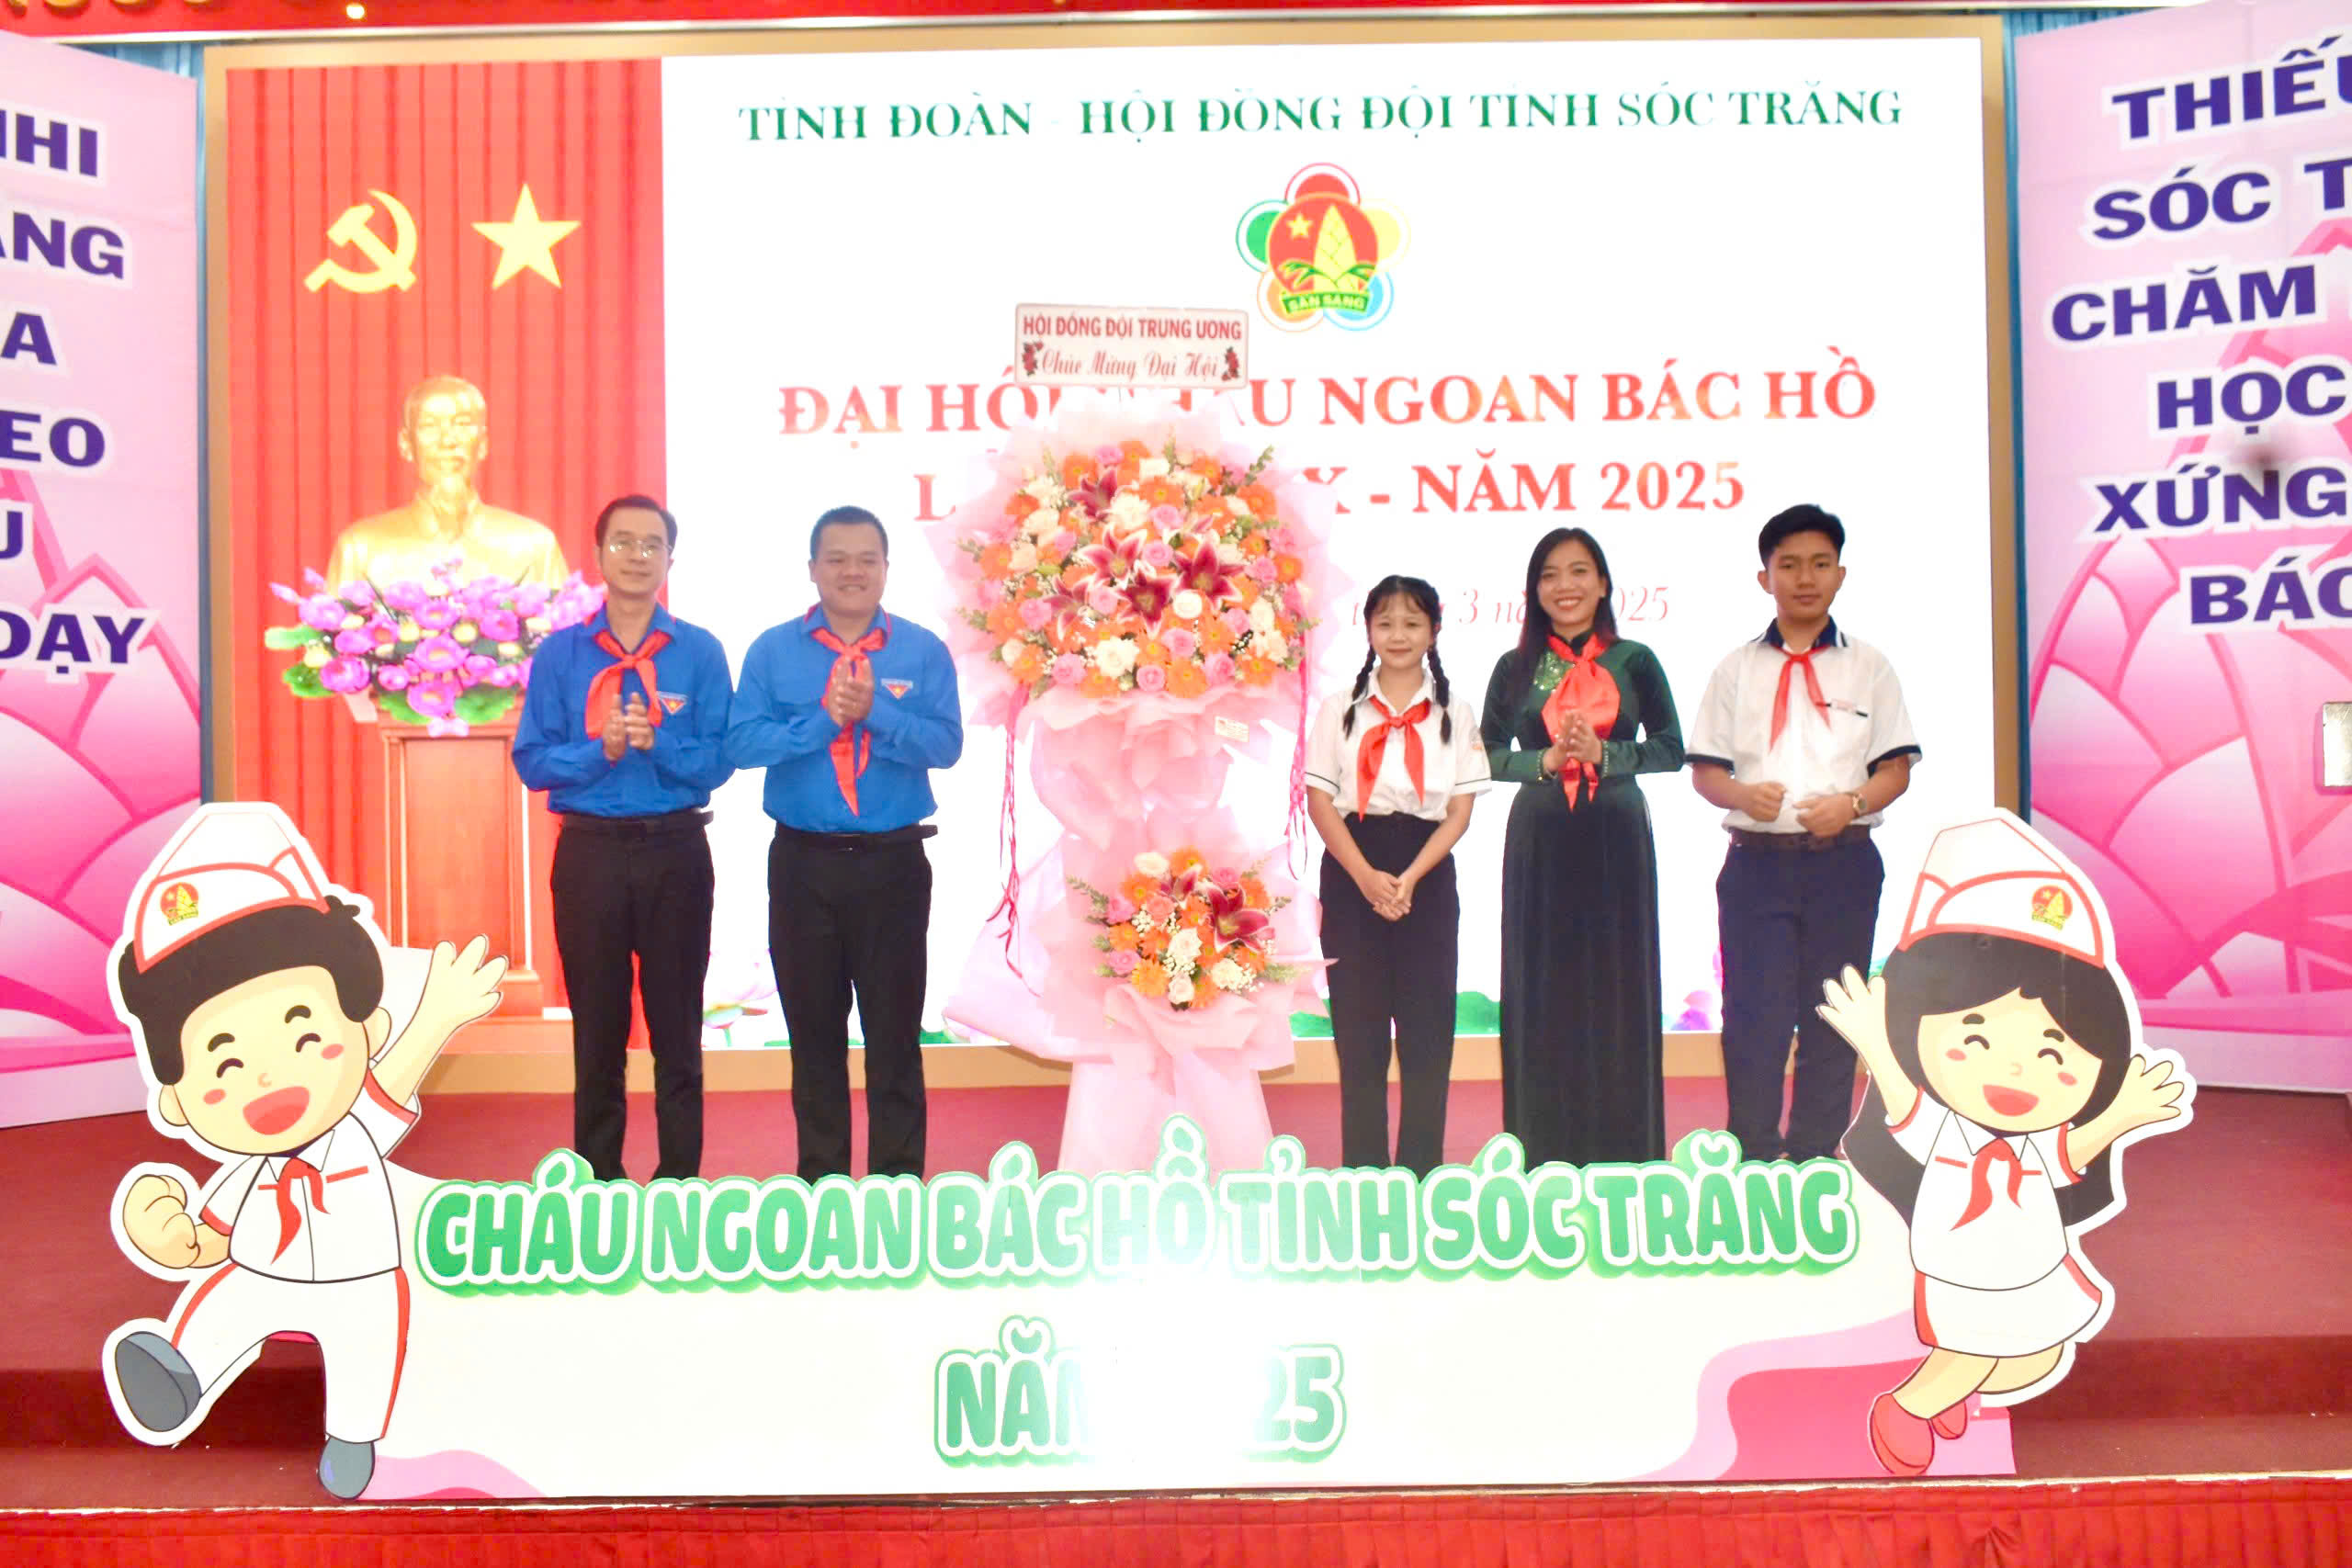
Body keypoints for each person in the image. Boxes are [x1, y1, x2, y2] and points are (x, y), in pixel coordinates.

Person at [104, 805, 505, 1499]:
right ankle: (180, 1373)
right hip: (264, 1270)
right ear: (177, 1100)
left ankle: (353, 1438)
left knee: (366, 1346)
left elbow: (394, 1079)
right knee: (228, 1299)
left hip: (360, 1281)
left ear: (366, 1028)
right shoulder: (249, 1175)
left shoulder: (355, 1131)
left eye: (303, 1035)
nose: (267, 1077)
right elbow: (207, 1243)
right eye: (225, 1063)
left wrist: (438, 1015)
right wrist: (165, 1233)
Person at [1820, 813, 2189, 1476]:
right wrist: (1875, 1045)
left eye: (2053, 1052)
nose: (2016, 1070)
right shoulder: (1946, 1128)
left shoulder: (2037, 1141)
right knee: (1974, 1346)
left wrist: (2122, 1115)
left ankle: (1947, 1395)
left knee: (2041, 1352)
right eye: (1976, 1038)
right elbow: (1903, 1106)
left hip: (2033, 1265)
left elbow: (2072, 1152)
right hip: (1965, 1272)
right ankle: (1907, 1407)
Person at [727, 506, 964, 1180]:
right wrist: (820, 721)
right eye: (836, 558)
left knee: (895, 1040)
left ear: (886, 569)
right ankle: (821, 1186)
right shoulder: (773, 650)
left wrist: (876, 714)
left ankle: (898, 1186)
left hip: (894, 866)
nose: (851, 571)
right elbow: (741, 744)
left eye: (866, 559)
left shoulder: (922, 650)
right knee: (814, 1041)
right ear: (812, 569)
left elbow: (946, 745)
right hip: (803, 866)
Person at [1686, 503, 1919, 1163]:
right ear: (1765, 578)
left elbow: (1896, 769)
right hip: (1756, 865)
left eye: (1820, 564)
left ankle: (1817, 1154)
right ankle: (1754, 1154)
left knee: (1834, 1015)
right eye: (1788, 565)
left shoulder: (1870, 666)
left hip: (1844, 863)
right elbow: (1706, 773)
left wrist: (1852, 803)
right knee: (1753, 1017)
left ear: (1841, 574)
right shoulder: (1735, 669)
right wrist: (1742, 796)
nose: (1805, 578)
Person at [512, 495, 733, 1183]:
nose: (637, 556)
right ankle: (597, 1179)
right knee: (597, 1029)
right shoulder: (561, 653)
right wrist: (597, 751)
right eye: (623, 542)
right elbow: (532, 761)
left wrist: (657, 743)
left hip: (677, 852)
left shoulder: (699, 651)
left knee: (678, 1028)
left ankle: (679, 1181)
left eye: (651, 544)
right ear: (598, 554)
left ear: (670, 559)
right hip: (591, 856)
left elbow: (718, 761)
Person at [1481, 528, 1683, 1168]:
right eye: (1549, 574)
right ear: (1534, 590)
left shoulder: (1636, 660)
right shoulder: (1515, 667)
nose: (1564, 586)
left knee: (1618, 991)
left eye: (1578, 571)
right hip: (1541, 842)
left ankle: (1625, 1160)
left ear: (1602, 583)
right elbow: (1485, 755)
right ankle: (1543, 1156)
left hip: (1616, 838)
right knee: (1541, 992)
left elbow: (1672, 748)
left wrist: (1607, 754)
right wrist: (1542, 761)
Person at [1304, 575, 1488, 1176]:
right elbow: (1319, 802)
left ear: (1434, 630)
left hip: (1426, 873)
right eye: (1386, 623)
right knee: (1359, 1040)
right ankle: (1364, 1178)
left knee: (1427, 1037)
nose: (1399, 635)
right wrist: (1364, 876)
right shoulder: (1339, 708)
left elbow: (1460, 812)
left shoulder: (1455, 712)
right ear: (1368, 630)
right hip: (1351, 868)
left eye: (1412, 622)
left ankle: (1422, 1176)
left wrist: (1409, 877)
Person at [324, 375, 569, 591]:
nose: (447, 441)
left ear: (483, 443)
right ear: (406, 444)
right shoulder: (360, 549)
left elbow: (564, 627)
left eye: (462, 424)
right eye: (429, 426)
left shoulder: (535, 547)